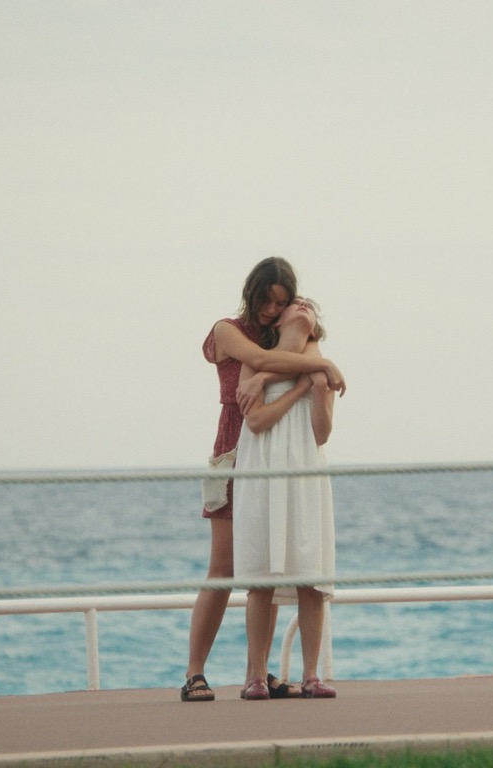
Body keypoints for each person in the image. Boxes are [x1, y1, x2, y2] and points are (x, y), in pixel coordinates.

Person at [182, 259, 345, 703]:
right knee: (224, 567)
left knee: (269, 559)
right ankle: (195, 672)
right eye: (265, 300)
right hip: (235, 451)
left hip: (278, 451)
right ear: (250, 294)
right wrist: (321, 364)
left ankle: (258, 671)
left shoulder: (287, 336)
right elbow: (258, 360)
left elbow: (295, 367)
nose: (272, 310)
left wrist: (312, 359)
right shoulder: (229, 331)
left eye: (280, 302)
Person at [233, 297, 338, 700]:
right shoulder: (255, 361)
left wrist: (319, 387)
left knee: (311, 576)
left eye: (310, 305)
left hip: (305, 470)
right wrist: (299, 388)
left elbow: (322, 433)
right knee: (261, 578)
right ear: (277, 320)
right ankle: (256, 676)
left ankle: (312, 675)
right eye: (296, 303)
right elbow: (256, 421)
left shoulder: (318, 363)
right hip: (264, 471)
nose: (304, 305)